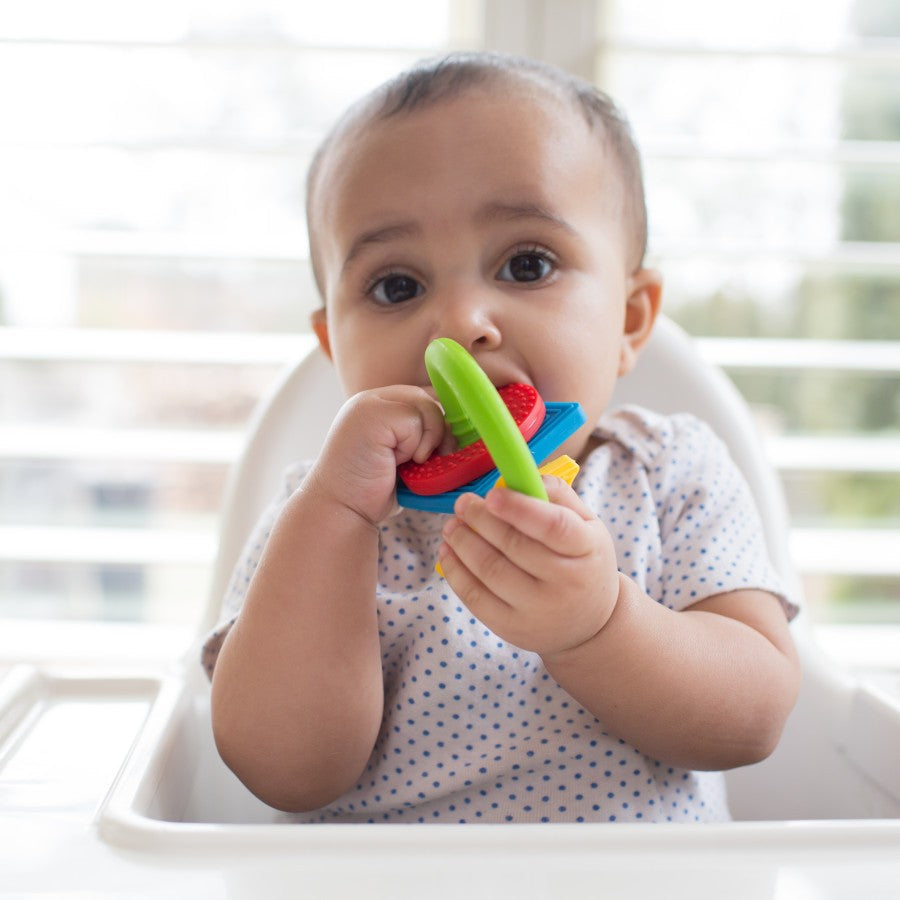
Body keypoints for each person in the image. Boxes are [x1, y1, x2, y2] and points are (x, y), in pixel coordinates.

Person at [202, 51, 801, 824]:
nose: (459, 324)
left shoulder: (667, 472)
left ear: (628, 318)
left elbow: (752, 720)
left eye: (527, 264)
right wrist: (335, 519)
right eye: (396, 286)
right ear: (333, 347)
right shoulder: (320, 511)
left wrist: (601, 626)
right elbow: (281, 768)